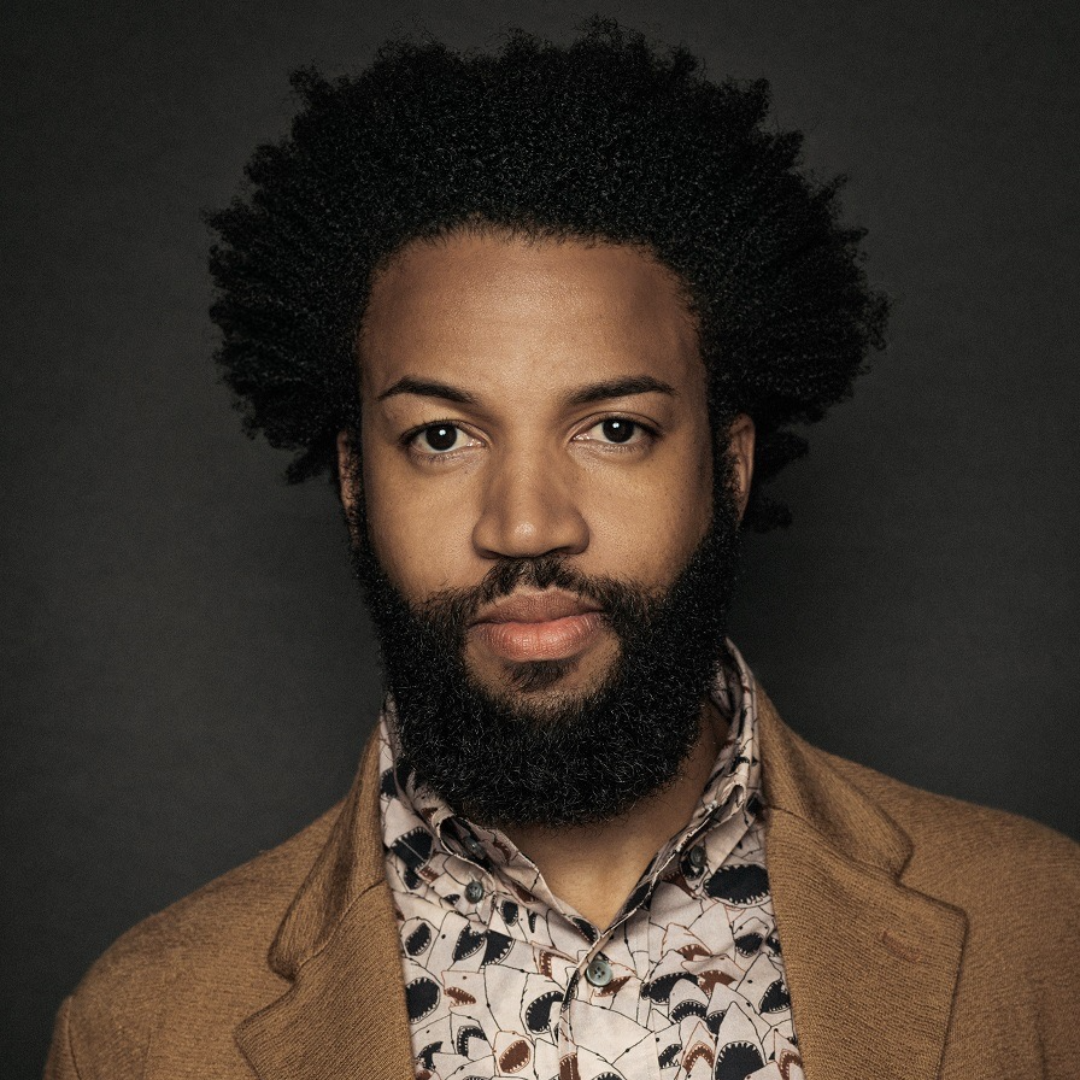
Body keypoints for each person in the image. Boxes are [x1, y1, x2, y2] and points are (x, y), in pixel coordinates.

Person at [45, 20, 1079, 1080]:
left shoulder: (1048, 933)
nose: (527, 525)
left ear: (730, 467)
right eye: (441, 437)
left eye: (614, 428)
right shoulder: (143, 1030)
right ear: (354, 480)